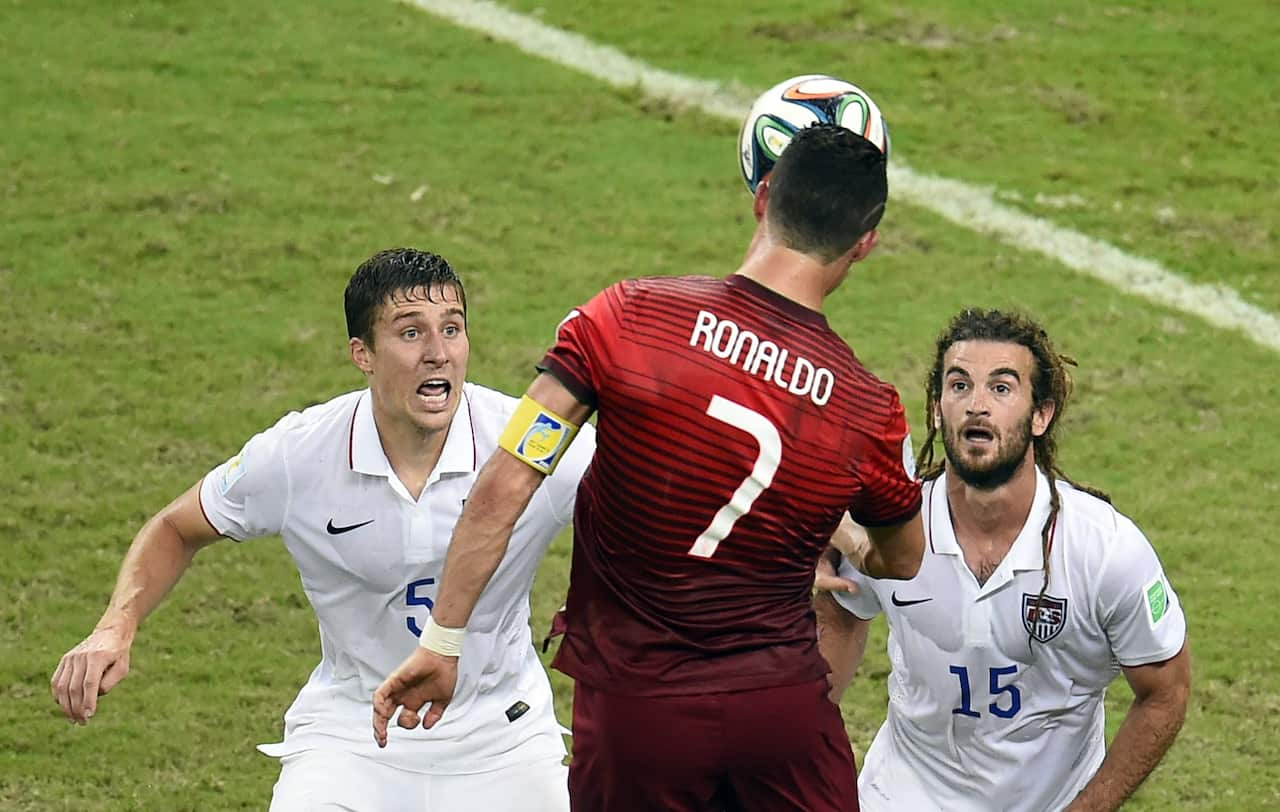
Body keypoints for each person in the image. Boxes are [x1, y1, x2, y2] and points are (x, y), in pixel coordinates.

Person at [371, 123, 926, 812]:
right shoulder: (863, 406)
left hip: (639, 712)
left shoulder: (626, 318)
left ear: (764, 196)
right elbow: (903, 559)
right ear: (865, 242)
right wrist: (843, 534)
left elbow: (507, 482)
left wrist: (445, 638)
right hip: (780, 718)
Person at [50, 248, 595, 812]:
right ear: (362, 353)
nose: (438, 354)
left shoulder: (527, 444)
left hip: (502, 736)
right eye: (411, 334)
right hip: (353, 739)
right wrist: (115, 627)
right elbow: (177, 527)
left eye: (451, 329)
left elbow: (653, 503)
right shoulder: (298, 454)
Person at [816, 308, 1191, 812]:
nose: (977, 406)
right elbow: (841, 610)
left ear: (1041, 415)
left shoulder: (1104, 551)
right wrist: (806, 742)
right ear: (935, 408)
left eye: (1001, 388)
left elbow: (1166, 691)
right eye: (959, 385)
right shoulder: (890, 527)